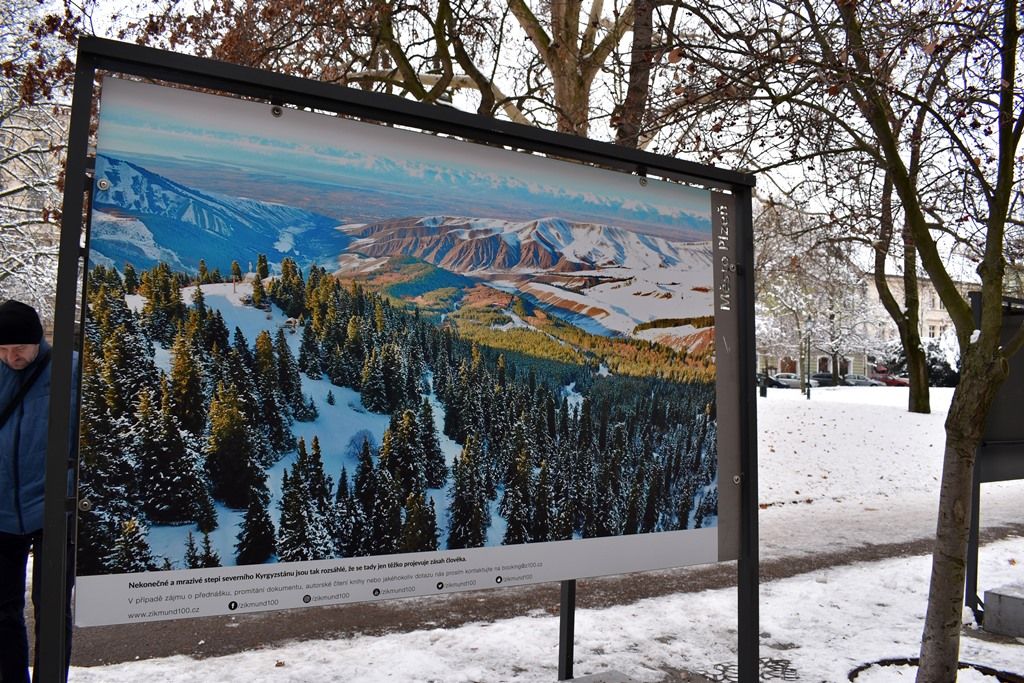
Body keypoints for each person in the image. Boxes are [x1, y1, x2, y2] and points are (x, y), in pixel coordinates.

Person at [0, 300, 74, 683]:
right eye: (2, 349)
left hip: (52, 510)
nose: (11, 356)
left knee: (52, 609)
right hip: (1, 510)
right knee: (2, 609)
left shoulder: (68, 369)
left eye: (19, 348)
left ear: (38, 341)